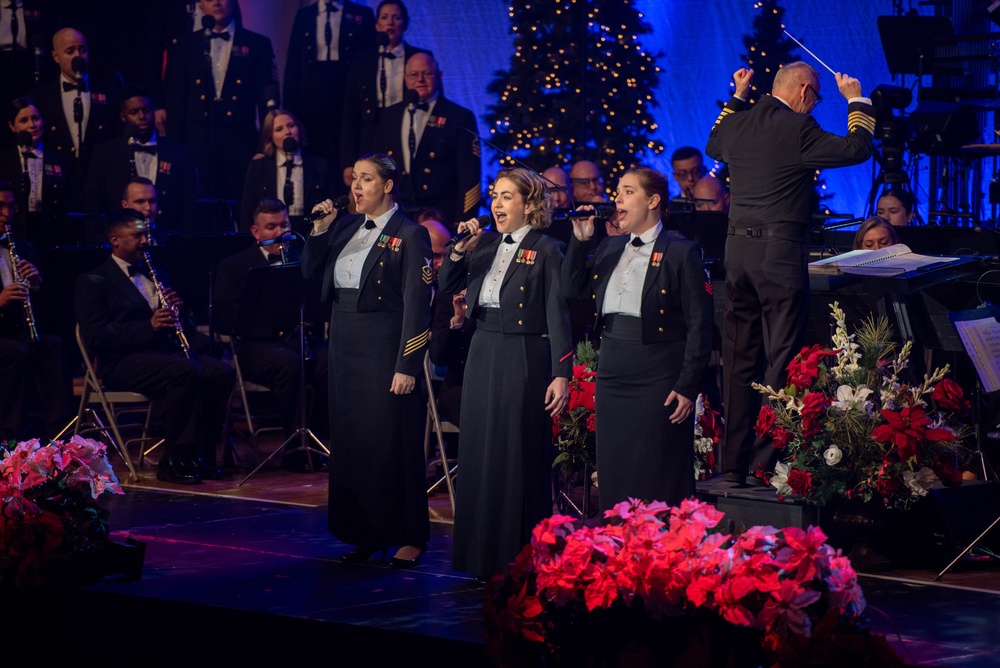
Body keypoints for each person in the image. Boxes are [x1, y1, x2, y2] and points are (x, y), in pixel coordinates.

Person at [706, 63, 875, 481]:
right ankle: (765, 465)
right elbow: (857, 148)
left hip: (737, 254)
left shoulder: (736, 123)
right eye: (816, 98)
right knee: (779, 360)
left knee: (738, 359)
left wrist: (738, 94)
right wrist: (855, 97)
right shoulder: (798, 129)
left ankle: (732, 466)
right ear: (803, 91)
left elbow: (713, 144)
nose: (814, 105)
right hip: (778, 256)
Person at [440, 167, 572, 578]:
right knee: (480, 452)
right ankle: (478, 555)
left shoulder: (548, 249)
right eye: (494, 196)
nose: (496, 204)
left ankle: (518, 555)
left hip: (522, 354)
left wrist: (562, 373)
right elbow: (446, 282)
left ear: (530, 204)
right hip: (483, 350)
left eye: (507, 196)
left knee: (514, 454)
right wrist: (459, 249)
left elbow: (558, 314)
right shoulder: (482, 245)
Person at [302, 153, 432, 568]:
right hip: (345, 341)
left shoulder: (410, 234)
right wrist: (319, 231)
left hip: (383, 345)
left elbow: (418, 304)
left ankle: (410, 534)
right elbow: (310, 273)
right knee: (354, 442)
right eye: (354, 178)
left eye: (367, 179)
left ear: (388, 185)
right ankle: (364, 533)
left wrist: (407, 365)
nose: (357, 187)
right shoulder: (343, 226)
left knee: (391, 442)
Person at [562, 167, 713, 511]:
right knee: (616, 462)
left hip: (658, 371)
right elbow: (573, 290)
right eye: (617, 191)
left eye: (628, 191)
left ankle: (665, 548)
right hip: (614, 367)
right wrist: (580, 241)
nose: (617, 198)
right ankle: (619, 544)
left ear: (654, 200)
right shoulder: (610, 247)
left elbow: (700, 325)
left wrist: (688, 385)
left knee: (658, 465)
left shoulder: (680, 251)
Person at [75, 209, 235, 484]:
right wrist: (148, 326)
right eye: (137, 235)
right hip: (123, 361)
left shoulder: (158, 273)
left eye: (146, 234)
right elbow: (97, 336)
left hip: (165, 354)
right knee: (186, 371)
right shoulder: (94, 280)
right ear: (115, 240)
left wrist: (179, 313)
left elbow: (179, 326)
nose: (145, 240)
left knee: (221, 372)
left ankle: (203, 455)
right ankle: (173, 459)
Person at [215, 198, 329, 469]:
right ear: (256, 232)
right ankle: (295, 449)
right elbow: (225, 320)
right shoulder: (235, 265)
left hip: (298, 337)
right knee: (290, 366)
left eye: (283, 225)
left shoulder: (302, 259)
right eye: (270, 227)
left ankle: (320, 443)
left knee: (331, 360)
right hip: (256, 346)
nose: (279, 233)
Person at [164, 0, 278, 201]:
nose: (216, 2)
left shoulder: (257, 43)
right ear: (201, 7)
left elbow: (266, 101)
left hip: (241, 137)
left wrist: (263, 148)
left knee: (241, 201)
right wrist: (177, 149)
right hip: (197, 139)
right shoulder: (185, 45)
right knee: (199, 204)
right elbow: (176, 102)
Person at [366, 52, 481, 225]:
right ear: (405, 78)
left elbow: (469, 174)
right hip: (397, 212)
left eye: (426, 74)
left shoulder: (459, 117)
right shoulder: (390, 115)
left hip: (440, 214)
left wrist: (463, 221)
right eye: (413, 74)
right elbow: (378, 166)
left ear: (439, 76)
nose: (420, 79)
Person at [0, 178, 72, 440]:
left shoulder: (23, 248)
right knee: (16, 352)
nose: (7, 214)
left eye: (11, 207)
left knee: (52, 345)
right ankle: (9, 436)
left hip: (14, 330)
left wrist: (36, 285)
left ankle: (59, 433)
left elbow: (43, 305)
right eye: (0, 207)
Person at [340, 1, 431, 188]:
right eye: (384, 17)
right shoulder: (362, 60)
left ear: (405, 23)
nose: (390, 22)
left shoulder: (419, 57)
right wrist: (348, 162)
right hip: (370, 132)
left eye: (396, 17)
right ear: (376, 25)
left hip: (405, 127)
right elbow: (350, 112)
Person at [85, 86, 197, 238]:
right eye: (134, 112)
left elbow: (189, 209)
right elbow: (95, 206)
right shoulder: (105, 154)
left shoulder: (179, 153)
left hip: (168, 241)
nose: (142, 116)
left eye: (147, 110)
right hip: (121, 243)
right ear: (122, 116)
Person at [284, 0, 375, 173]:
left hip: (346, 92)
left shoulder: (363, 14)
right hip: (310, 98)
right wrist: (289, 112)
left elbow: (369, 63)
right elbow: (293, 66)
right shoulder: (305, 15)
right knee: (315, 154)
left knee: (347, 149)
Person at [30, 28, 119, 178]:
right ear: (56, 57)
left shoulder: (108, 93)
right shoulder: (41, 97)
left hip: (98, 174)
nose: (78, 56)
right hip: (59, 176)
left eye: (82, 50)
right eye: (70, 51)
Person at [0, 97, 77, 250]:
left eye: (36, 118)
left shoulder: (61, 160)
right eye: (24, 120)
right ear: (12, 126)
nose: (32, 125)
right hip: (13, 233)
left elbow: (68, 204)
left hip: (50, 235)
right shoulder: (3, 160)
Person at [240, 109, 331, 232]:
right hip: (273, 236)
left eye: (291, 126)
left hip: (310, 233)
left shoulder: (319, 166)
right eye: (279, 129)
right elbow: (247, 211)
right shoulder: (259, 167)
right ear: (270, 136)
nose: (287, 132)